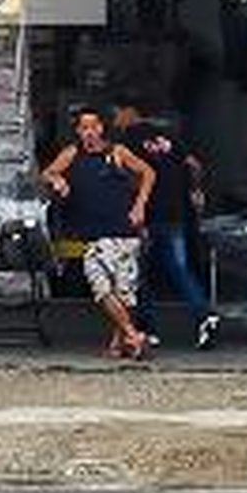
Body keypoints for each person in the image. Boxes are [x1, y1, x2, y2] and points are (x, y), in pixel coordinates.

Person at [41, 107, 155, 362]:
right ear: (78, 131)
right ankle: (133, 336)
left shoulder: (118, 152)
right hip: (93, 235)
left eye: (93, 127)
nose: (89, 132)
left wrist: (140, 205)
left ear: (102, 128)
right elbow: (47, 173)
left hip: (123, 231)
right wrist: (58, 180)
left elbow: (148, 172)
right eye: (84, 128)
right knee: (101, 289)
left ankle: (118, 345)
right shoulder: (72, 153)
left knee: (122, 292)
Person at [130, 111, 218, 349]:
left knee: (139, 274)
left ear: (128, 112)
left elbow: (133, 178)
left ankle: (147, 328)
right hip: (175, 213)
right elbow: (193, 164)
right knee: (179, 268)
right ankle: (204, 313)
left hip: (147, 214)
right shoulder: (170, 135)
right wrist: (195, 189)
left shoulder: (129, 138)